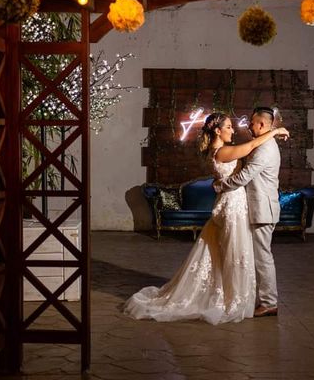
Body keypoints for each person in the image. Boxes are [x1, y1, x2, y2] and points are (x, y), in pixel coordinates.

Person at [123, 112, 289, 324]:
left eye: (232, 126)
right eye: (228, 127)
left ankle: (247, 297)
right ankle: (235, 297)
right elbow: (248, 150)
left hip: (238, 205)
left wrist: (272, 133)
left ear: (262, 123)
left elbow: (250, 149)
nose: (234, 130)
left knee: (236, 252)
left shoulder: (234, 148)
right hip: (232, 206)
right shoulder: (222, 151)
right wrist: (275, 132)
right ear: (217, 131)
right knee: (234, 252)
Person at [213, 107, 281, 317]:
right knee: (256, 256)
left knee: (262, 258)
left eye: (252, 123)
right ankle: (256, 297)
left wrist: (220, 185)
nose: (248, 126)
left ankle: (269, 302)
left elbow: (245, 177)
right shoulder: (264, 144)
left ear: (261, 124)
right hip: (256, 208)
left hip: (263, 209)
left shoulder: (265, 148)